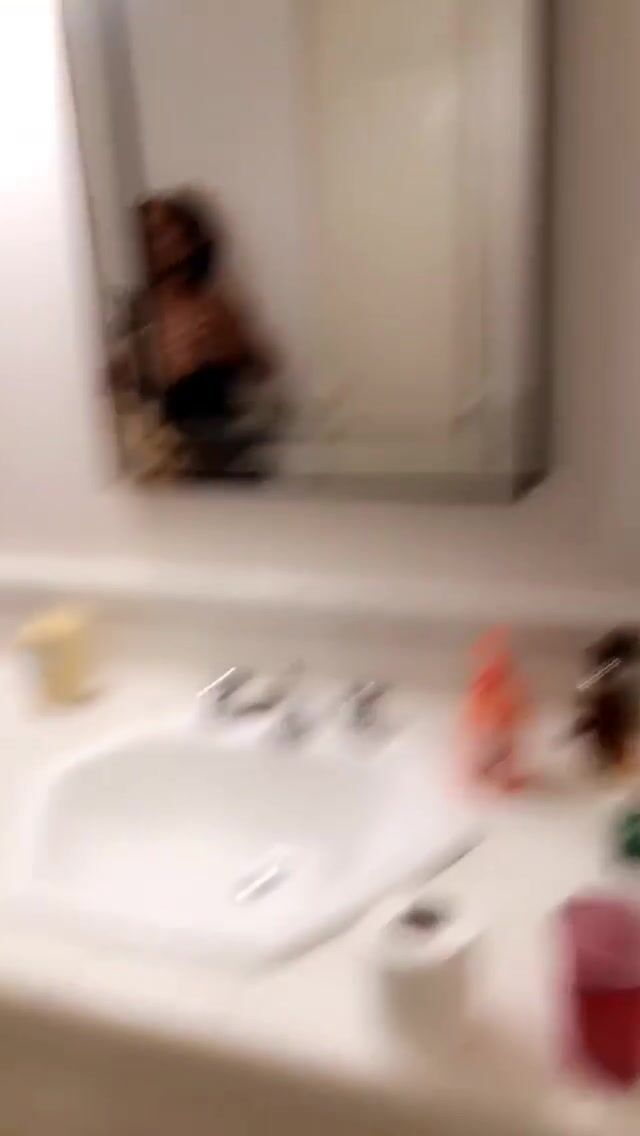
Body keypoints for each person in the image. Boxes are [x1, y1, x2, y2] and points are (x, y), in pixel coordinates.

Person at [136, 192, 273, 475]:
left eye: (166, 232)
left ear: (191, 241)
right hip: (156, 461)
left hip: (218, 455)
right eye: (149, 235)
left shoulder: (214, 306)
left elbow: (264, 367)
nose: (157, 243)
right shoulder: (135, 311)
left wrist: (224, 349)